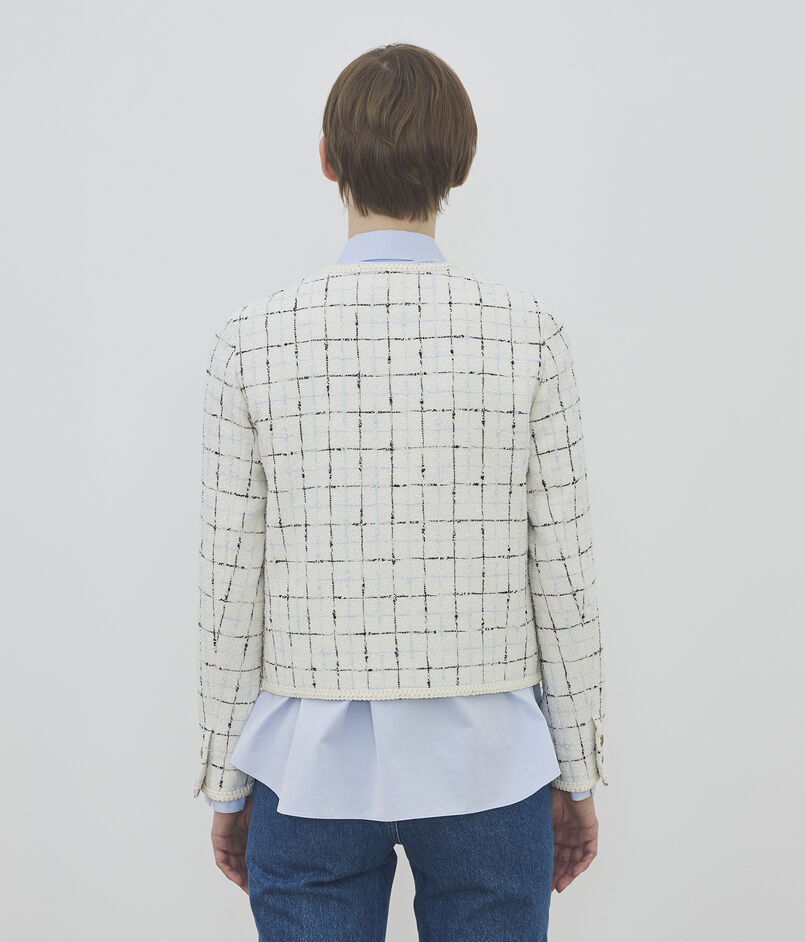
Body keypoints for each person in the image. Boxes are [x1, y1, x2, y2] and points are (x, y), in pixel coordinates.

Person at [194, 42, 608, 942]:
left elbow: (230, 590)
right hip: (491, 763)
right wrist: (577, 771)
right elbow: (564, 578)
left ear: (327, 160)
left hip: (305, 769)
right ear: (460, 164)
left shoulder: (251, 341)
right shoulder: (529, 335)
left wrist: (226, 783)